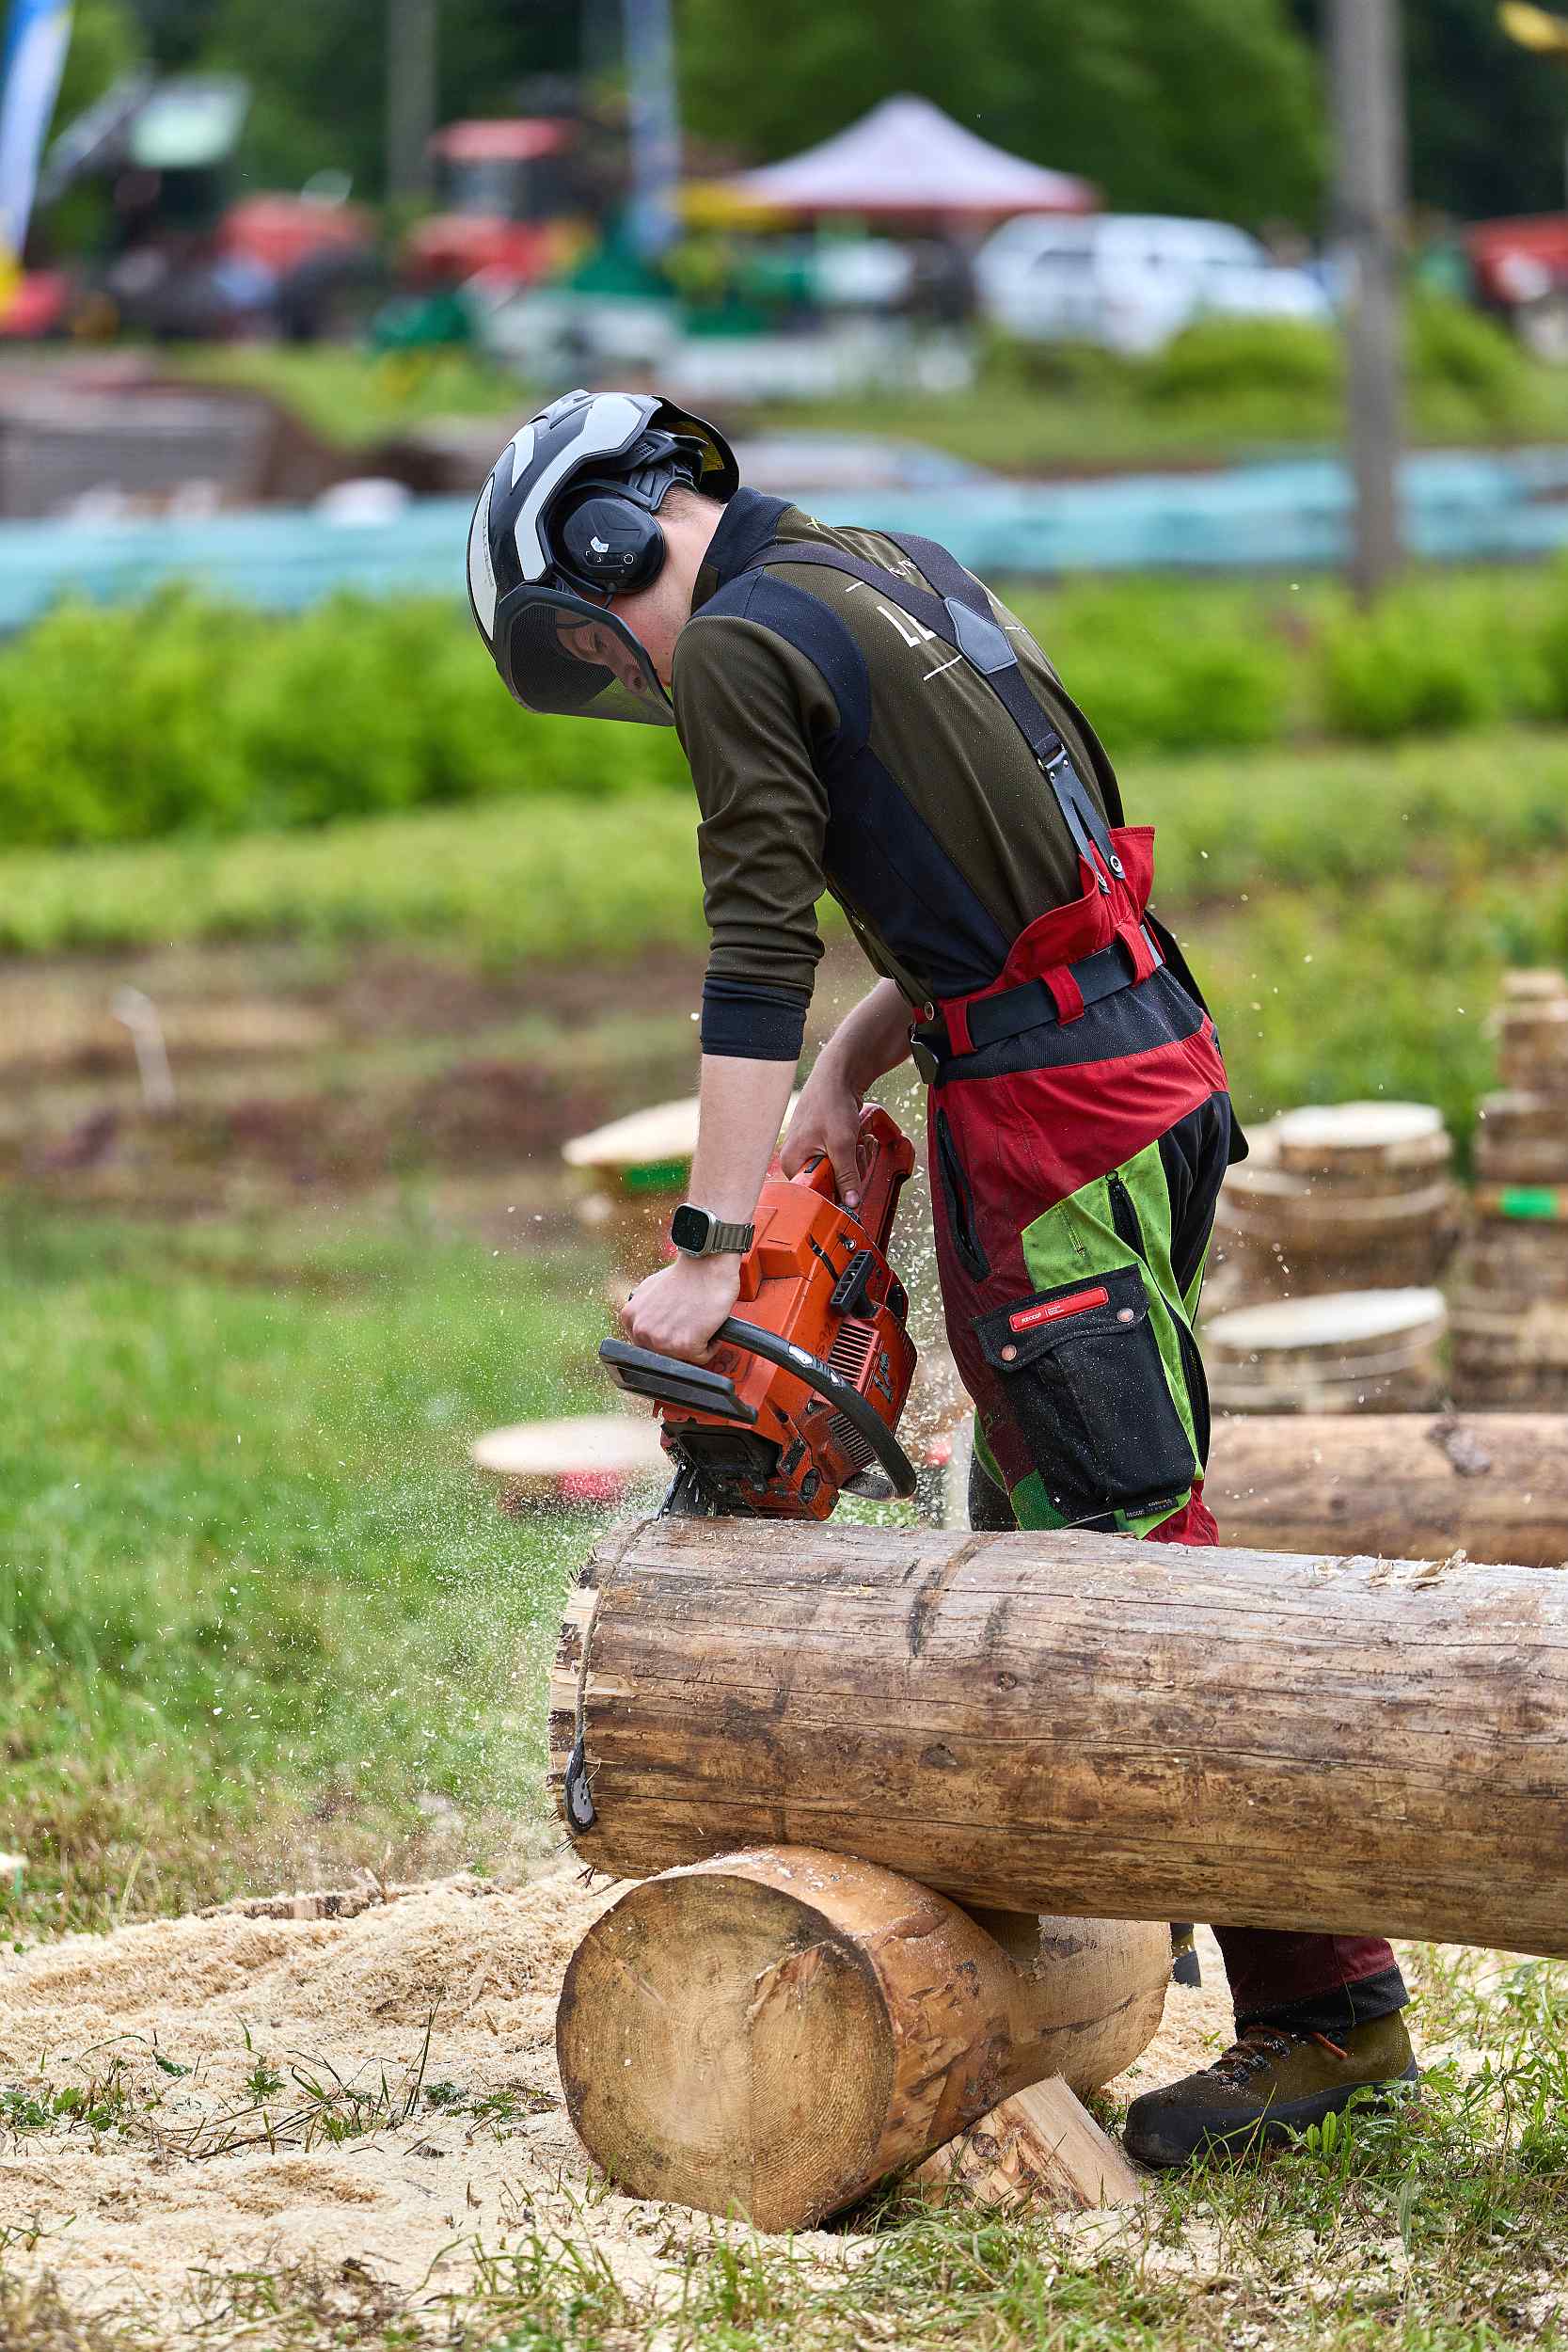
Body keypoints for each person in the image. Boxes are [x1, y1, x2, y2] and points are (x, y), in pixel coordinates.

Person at [467, 388, 1419, 2166]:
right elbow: (1023, 867)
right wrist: (851, 1070)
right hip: (1145, 1063)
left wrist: (710, 1253)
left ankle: (1332, 2015)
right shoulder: (890, 568)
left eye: (591, 635)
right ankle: (1081, 1926)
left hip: (1055, 1123)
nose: (622, 669)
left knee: (1135, 1563)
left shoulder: (737, 642)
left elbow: (754, 951)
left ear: (604, 541)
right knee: (1039, 1517)